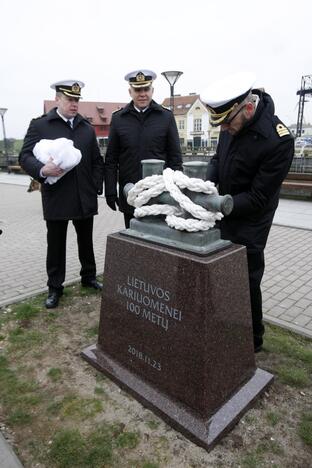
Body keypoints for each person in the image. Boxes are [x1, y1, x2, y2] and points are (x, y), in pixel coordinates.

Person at [200, 72, 294, 353]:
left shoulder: (278, 140)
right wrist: (206, 184)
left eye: (228, 122)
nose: (225, 128)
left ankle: (252, 339)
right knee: (220, 271)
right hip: (224, 207)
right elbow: (218, 158)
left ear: (249, 108)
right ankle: (223, 324)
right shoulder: (230, 120)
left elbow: (258, 197)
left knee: (246, 278)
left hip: (252, 218)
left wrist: (219, 203)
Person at [19, 80, 104, 309]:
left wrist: (96, 185)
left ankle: (89, 277)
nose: (74, 104)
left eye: (77, 100)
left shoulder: (86, 128)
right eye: (69, 100)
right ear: (58, 99)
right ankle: (55, 287)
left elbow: (97, 161)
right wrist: (41, 170)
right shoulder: (41, 125)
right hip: (56, 195)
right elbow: (25, 156)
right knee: (55, 245)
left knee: (86, 242)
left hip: (83, 196)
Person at [104, 69, 183, 227]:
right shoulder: (119, 119)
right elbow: (111, 160)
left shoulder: (166, 117)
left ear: (152, 90)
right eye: (137, 90)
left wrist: (177, 191)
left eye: (146, 89)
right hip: (131, 193)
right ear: (130, 92)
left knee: (161, 242)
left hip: (160, 194)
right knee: (133, 240)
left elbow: (175, 158)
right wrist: (111, 191)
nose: (142, 94)